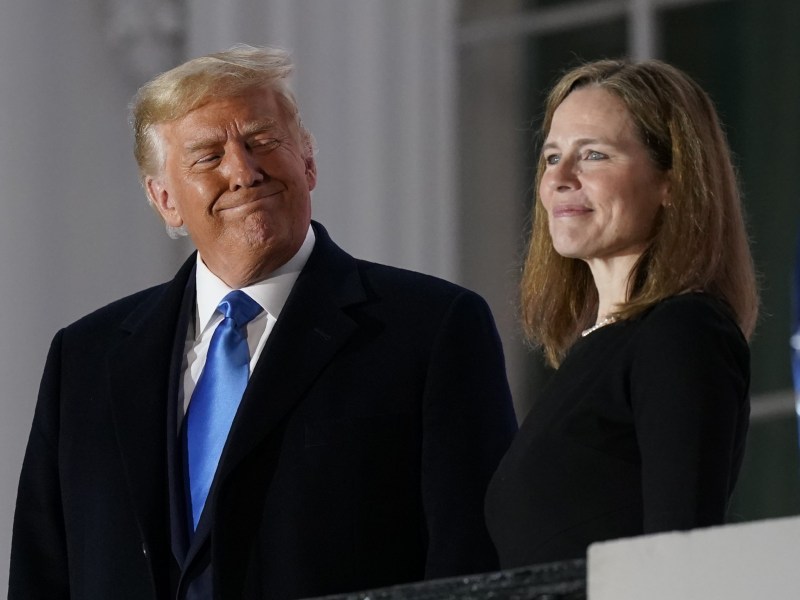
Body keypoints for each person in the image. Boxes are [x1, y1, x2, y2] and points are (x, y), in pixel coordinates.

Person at [9, 44, 518, 600]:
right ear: (164, 201)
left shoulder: (431, 328)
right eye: (207, 156)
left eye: (263, 142)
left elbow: (472, 565)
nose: (244, 172)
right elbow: (42, 573)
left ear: (309, 161)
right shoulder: (84, 358)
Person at [484, 58, 758, 567]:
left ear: (672, 181)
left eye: (593, 155)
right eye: (550, 157)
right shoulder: (595, 350)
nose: (560, 178)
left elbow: (680, 557)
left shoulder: (683, 332)